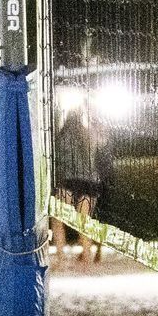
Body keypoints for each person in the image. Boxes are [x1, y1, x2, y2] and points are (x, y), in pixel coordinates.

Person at [51, 105, 101, 263]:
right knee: (84, 223)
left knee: (58, 221)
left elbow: (57, 160)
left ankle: (61, 258)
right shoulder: (89, 135)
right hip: (90, 182)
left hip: (68, 181)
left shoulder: (61, 137)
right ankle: (87, 257)